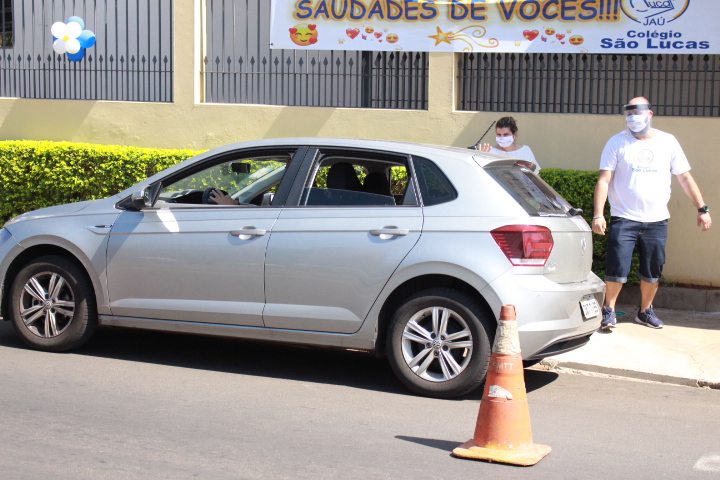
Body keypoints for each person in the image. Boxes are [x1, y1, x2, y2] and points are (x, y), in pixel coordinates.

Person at [592, 96, 712, 330]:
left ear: (650, 114)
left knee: (653, 269)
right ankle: (609, 311)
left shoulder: (668, 142)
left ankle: (645, 311)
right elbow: (604, 180)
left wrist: (702, 209)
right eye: (629, 114)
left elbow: (685, 178)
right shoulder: (617, 142)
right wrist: (598, 214)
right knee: (617, 266)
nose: (632, 118)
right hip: (624, 217)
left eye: (637, 113)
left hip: (656, 220)